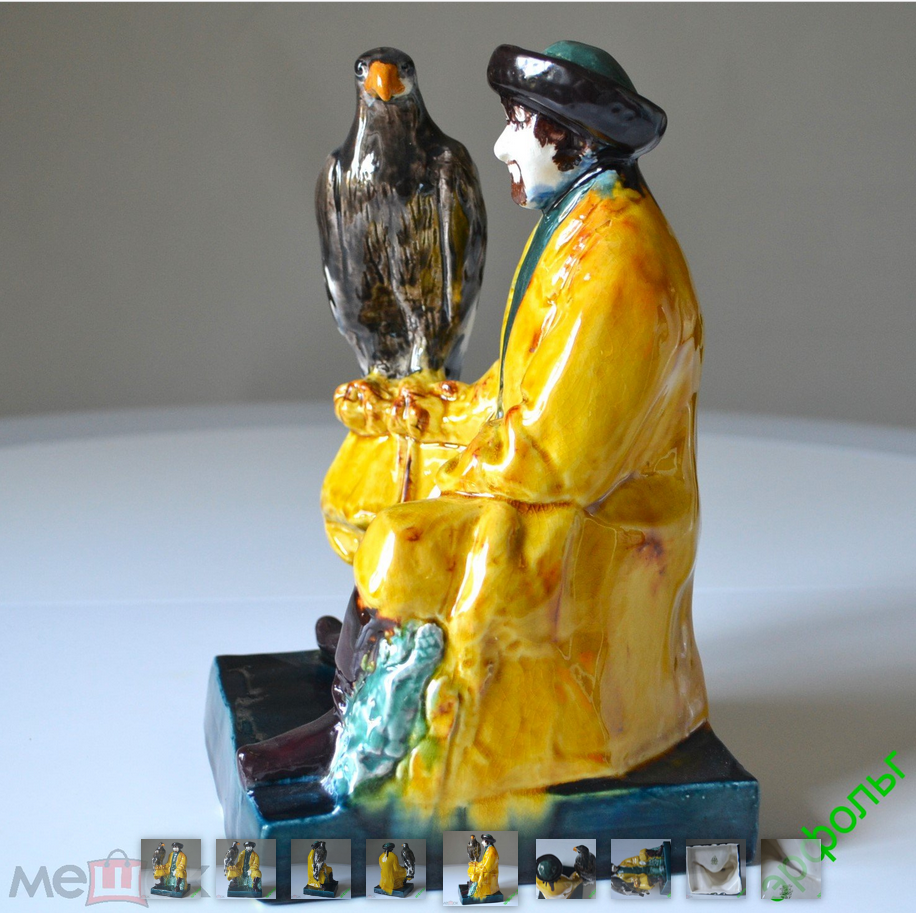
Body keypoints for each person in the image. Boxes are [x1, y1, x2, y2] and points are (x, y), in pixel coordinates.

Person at [240, 40, 708, 822]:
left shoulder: (622, 266)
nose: (499, 145)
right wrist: (421, 410)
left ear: (570, 138)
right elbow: (514, 386)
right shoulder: (579, 223)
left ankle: (367, 722)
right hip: (538, 470)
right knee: (372, 466)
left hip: (589, 520)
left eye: (518, 124)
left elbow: (559, 457)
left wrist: (453, 453)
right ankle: (366, 655)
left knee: (400, 535)